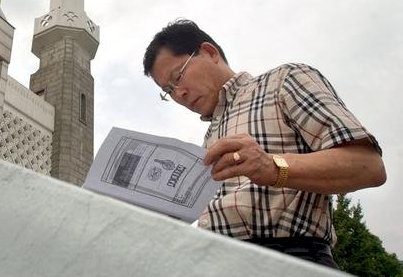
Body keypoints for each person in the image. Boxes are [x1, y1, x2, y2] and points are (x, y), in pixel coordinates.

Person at [142, 19, 386, 268]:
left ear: (210, 52)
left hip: (287, 260)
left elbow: (368, 165)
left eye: (178, 76)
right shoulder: (209, 138)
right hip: (212, 264)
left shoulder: (283, 81)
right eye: (168, 91)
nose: (179, 94)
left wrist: (273, 167)